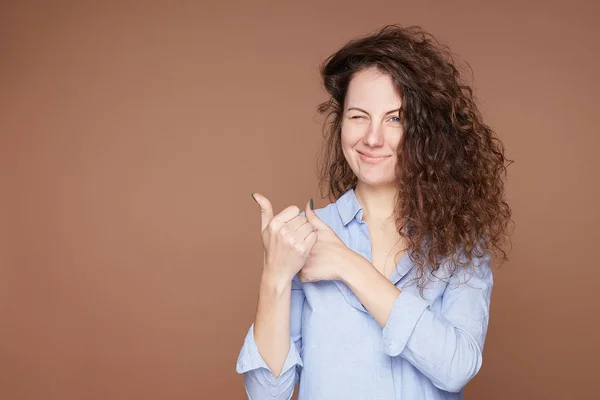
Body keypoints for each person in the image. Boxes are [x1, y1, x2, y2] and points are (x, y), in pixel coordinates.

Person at [236, 24, 512, 400]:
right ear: (341, 123)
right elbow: (267, 395)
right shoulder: (307, 237)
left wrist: (349, 266)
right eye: (358, 116)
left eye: (395, 118)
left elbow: (456, 368)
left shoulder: (459, 239)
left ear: (427, 132)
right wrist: (275, 275)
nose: (372, 137)